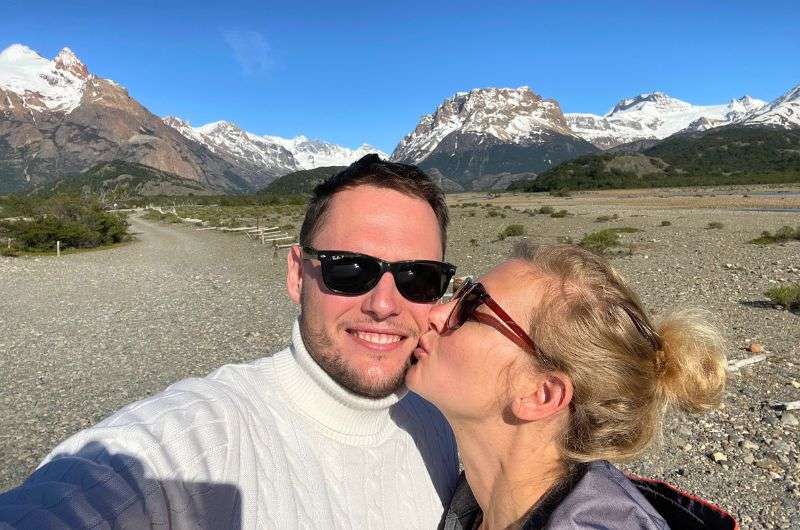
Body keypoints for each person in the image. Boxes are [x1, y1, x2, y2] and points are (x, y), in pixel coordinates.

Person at [0, 154, 461, 529]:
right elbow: (81, 497)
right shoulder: (204, 439)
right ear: (297, 275)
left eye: (418, 277)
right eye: (350, 270)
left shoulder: (441, 424)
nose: (384, 304)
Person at [406, 242, 738, 529]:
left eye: (472, 308)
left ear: (541, 393)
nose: (435, 313)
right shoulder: (472, 508)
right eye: (460, 293)